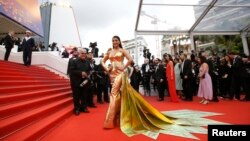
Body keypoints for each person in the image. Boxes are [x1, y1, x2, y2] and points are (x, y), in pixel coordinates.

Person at [70, 48, 91, 115]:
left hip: (85, 82)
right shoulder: (74, 61)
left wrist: (87, 74)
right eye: (82, 53)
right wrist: (81, 73)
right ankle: (76, 109)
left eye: (85, 53)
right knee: (76, 96)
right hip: (76, 82)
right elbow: (72, 71)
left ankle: (84, 107)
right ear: (79, 54)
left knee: (84, 95)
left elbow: (89, 70)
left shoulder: (88, 62)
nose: (84, 55)